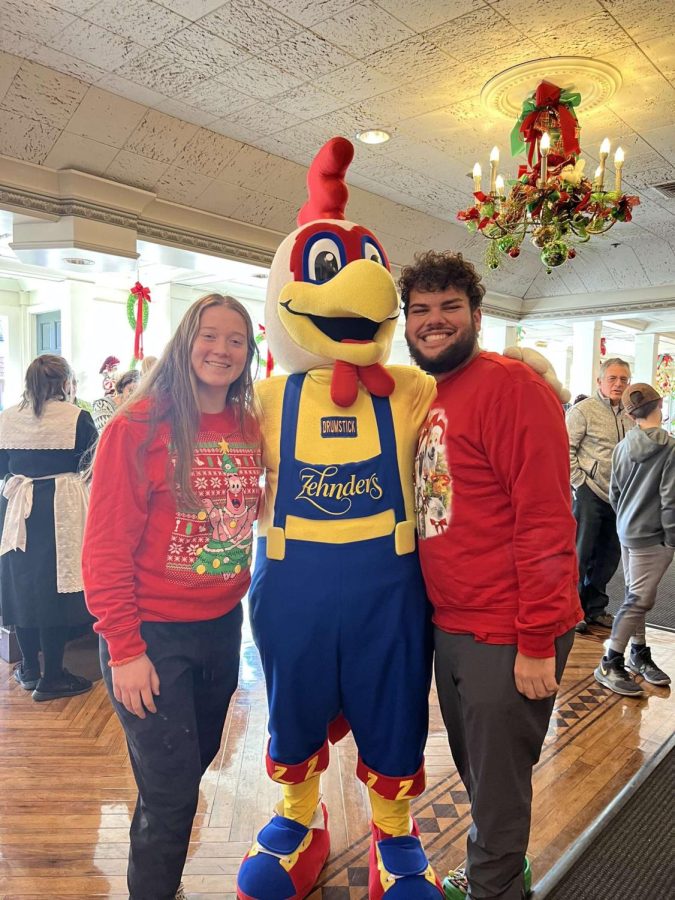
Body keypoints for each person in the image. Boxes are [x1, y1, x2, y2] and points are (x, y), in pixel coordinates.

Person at [402, 250, 580, 900]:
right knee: (481, 775)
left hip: (508, 630)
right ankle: (500, 872)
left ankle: (494, 886)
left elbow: (544, 520)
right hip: (454, 624)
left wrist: (535, 640)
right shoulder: (427, 393)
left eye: (449, 306)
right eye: (419, 310)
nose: (433, 320)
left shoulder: (510, 386)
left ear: (475, 315)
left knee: (499, 789)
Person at [82, 294, 262, 900]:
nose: (221, 349)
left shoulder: (249, 426)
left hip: (220, 627)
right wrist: (125, 649)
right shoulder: (137, 426)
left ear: (249, 352)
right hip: (150, 634)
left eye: (235, 339)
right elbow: (104, 551)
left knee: (187, 767)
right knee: (172, 790)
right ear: (186, 343)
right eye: (209, 336)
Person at [0, 354, 97, 700]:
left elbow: (2, 469)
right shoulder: (77, 418)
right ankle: (53, 675)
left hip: (17, 509)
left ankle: (29, 668)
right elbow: (92, 464)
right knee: (54, 590)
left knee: (23, 589)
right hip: (60, 509)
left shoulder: (8, 418)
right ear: (66, 383)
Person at [594, 383, 674, 696]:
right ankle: (609, 661)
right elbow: (670, 500)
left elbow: (614, 491)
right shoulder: (670, 448)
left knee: (633, 593)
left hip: (627, 529)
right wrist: (672, 538)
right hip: (652, 534)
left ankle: (638, 652)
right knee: (639, 599)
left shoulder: (623, 445)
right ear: (660, 406)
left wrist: (627, 519)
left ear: (629, 413)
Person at [566, 358, 634, 633]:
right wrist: (579, 483)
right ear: (600, 382)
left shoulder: (630, 414)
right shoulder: (583, 411)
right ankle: (572, 611)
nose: (618, 384)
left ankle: (595, 608)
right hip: (589, 492)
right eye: (613, 379)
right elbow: (564, 449)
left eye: (624, 379)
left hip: (620, 497)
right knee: (580, 554)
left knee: (608, 556)